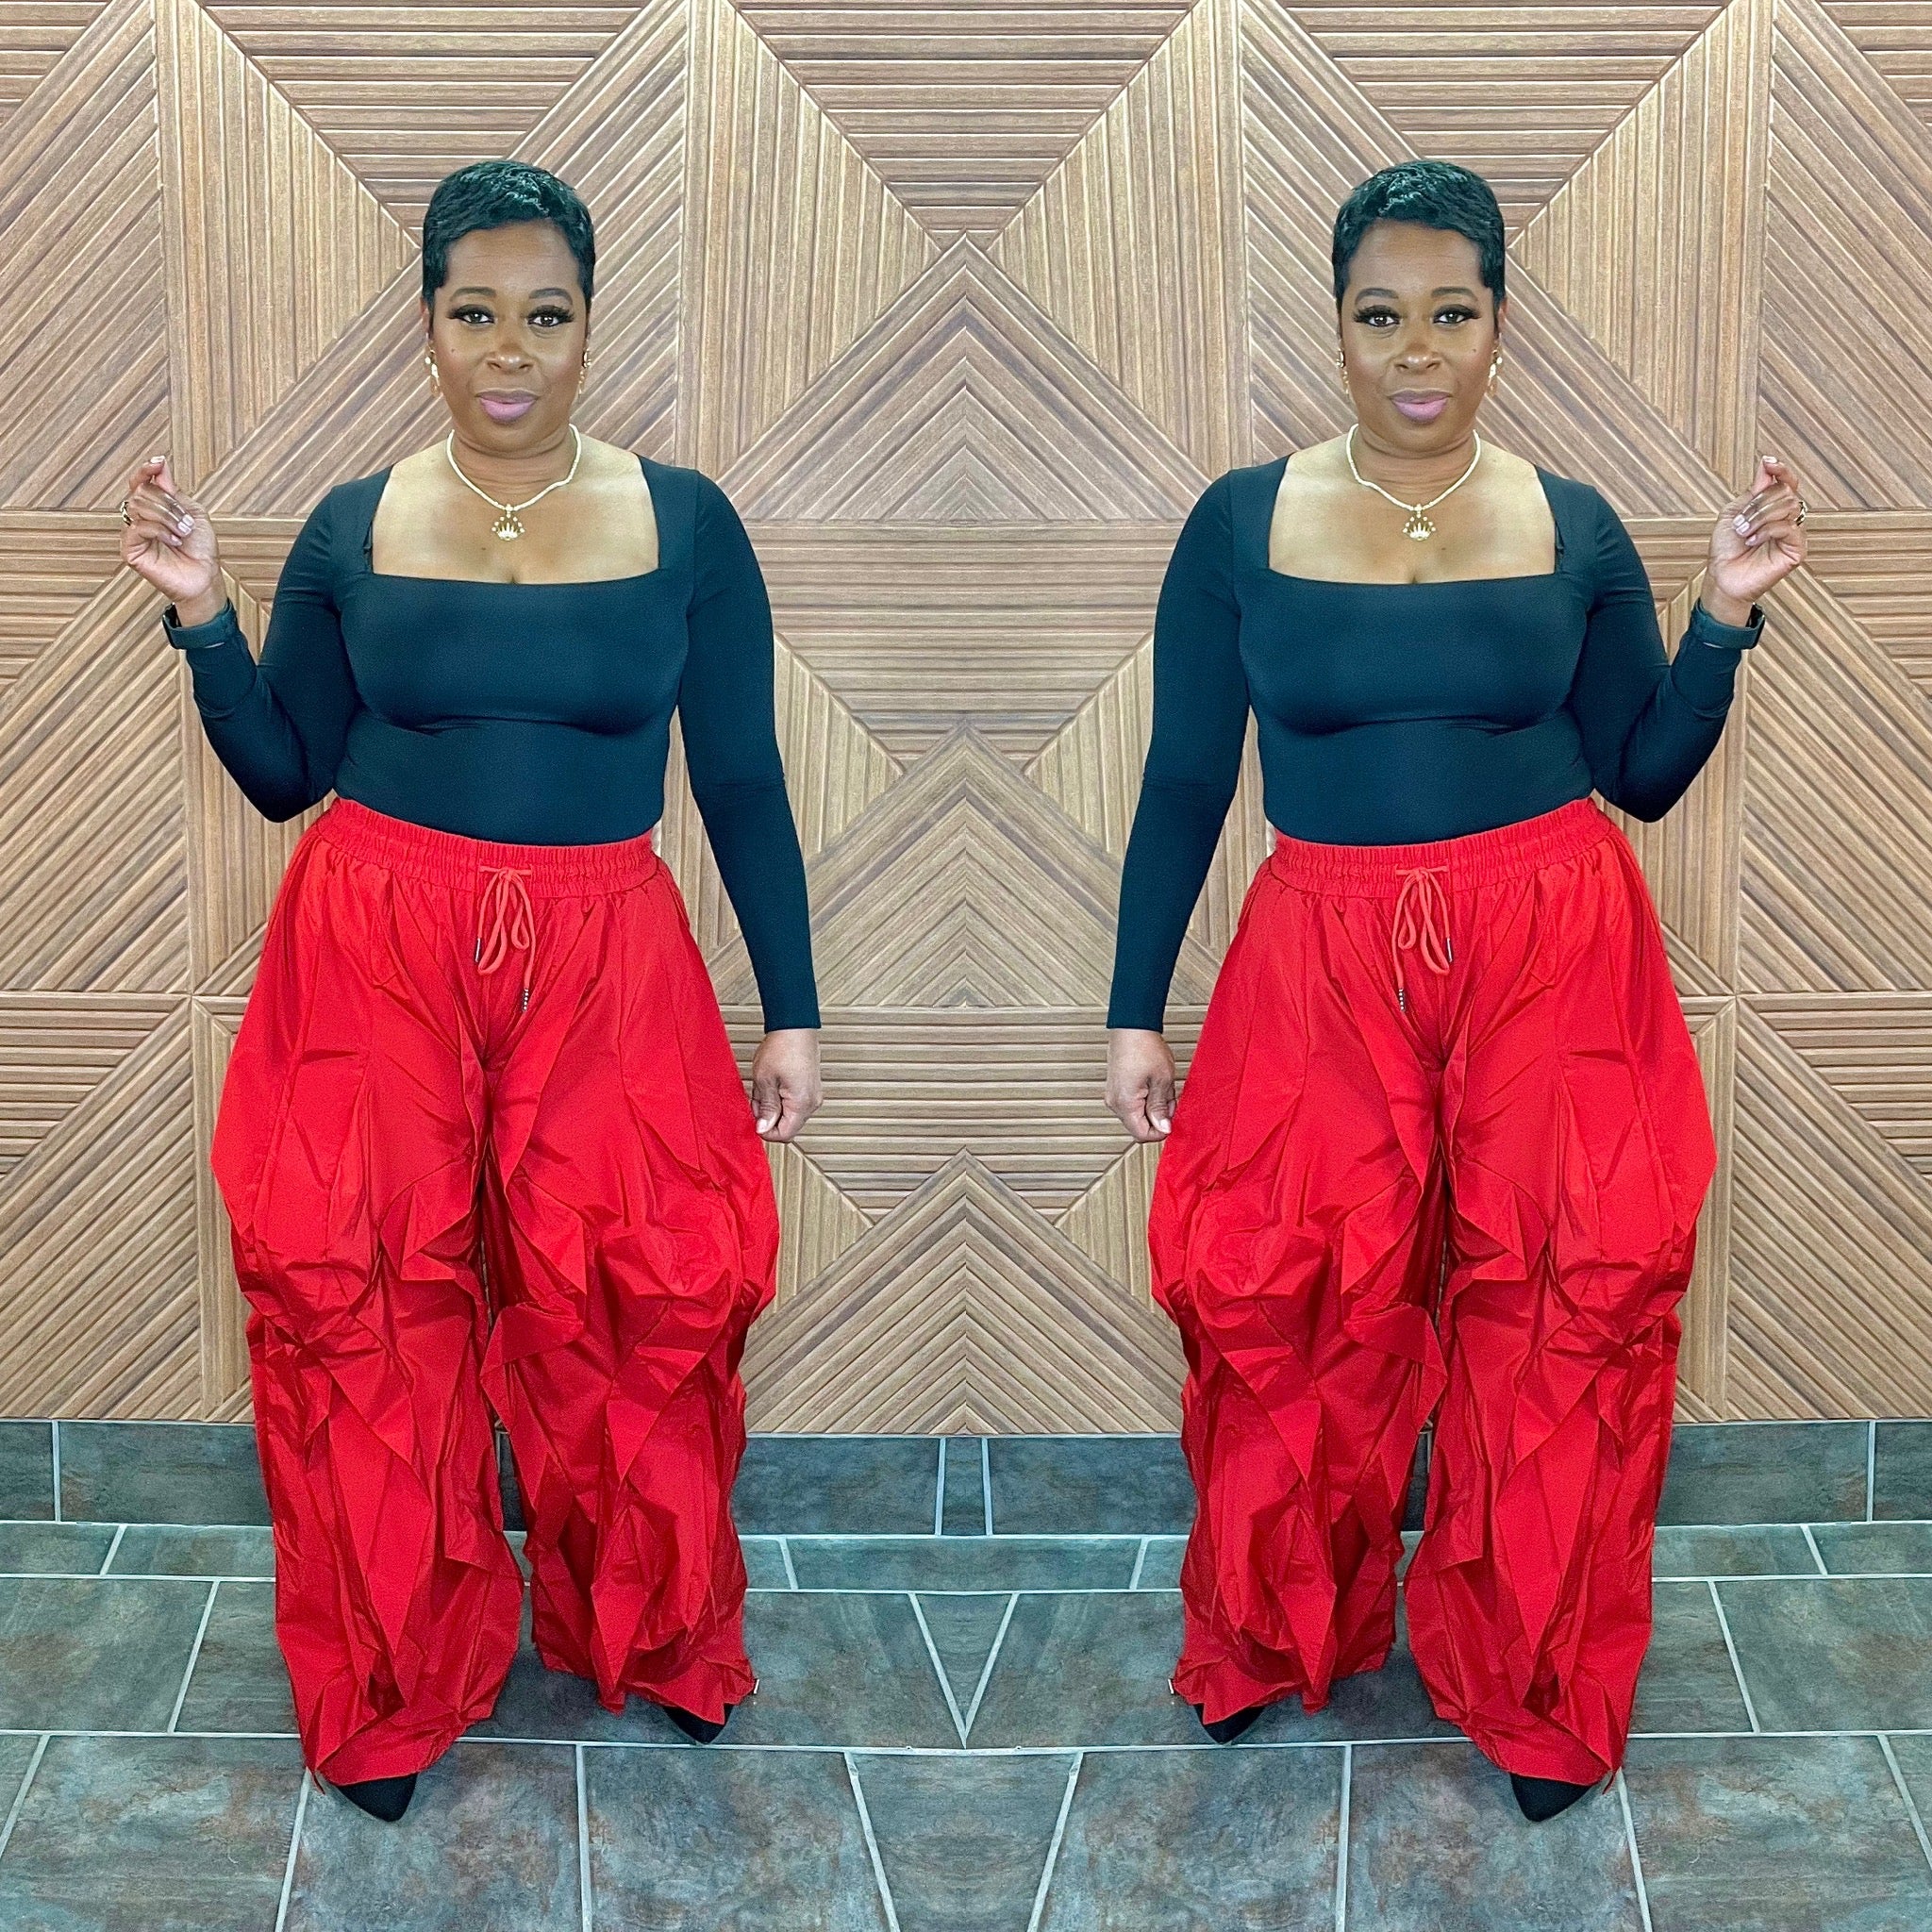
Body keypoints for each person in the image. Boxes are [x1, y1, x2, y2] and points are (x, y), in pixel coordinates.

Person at [1104, 158, 1807, 1824]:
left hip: (1555, 947)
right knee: (1288, 1296)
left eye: (1451, 313)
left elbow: (1642, 775)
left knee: (1566, 1310)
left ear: (1498, 324)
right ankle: (1272, 1634)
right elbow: (1188, 777)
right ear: (1337, 325)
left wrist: (1718, 618)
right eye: (1380, 315)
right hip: (1319, 955)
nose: (1416, 350)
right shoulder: (1240, 524)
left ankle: (1538, 1687)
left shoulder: (1574, 527)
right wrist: (1136, 1008)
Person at [119, 160, 822, 1823]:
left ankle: (654, 1635)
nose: (511, 350)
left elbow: (739, 779)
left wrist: (790, 1009)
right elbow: (284, 776)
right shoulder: (352, 526)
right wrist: (209, 618)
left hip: (607, 954)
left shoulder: (687, 525)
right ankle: (388, 1686)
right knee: (360, 1309)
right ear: (428, 325)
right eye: (475, 313)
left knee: (638, 1295)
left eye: (546, 315)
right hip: (373, 946)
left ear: (589, 326)